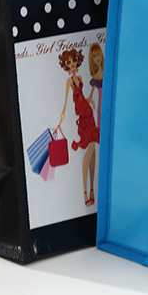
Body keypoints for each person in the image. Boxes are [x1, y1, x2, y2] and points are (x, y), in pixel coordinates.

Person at [59, 48, 98, 206]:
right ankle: (85, 192)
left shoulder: (81, 78)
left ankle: (92, 189)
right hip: (82, 119)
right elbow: (66, 101)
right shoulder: (70, 82)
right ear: (66, 65)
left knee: (93, 150)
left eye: (74, 61)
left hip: (89, 114)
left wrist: (90, 99)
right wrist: (62, 115)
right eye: (69, 62)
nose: (72, 64)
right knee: (89, 149)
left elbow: (82, 97)